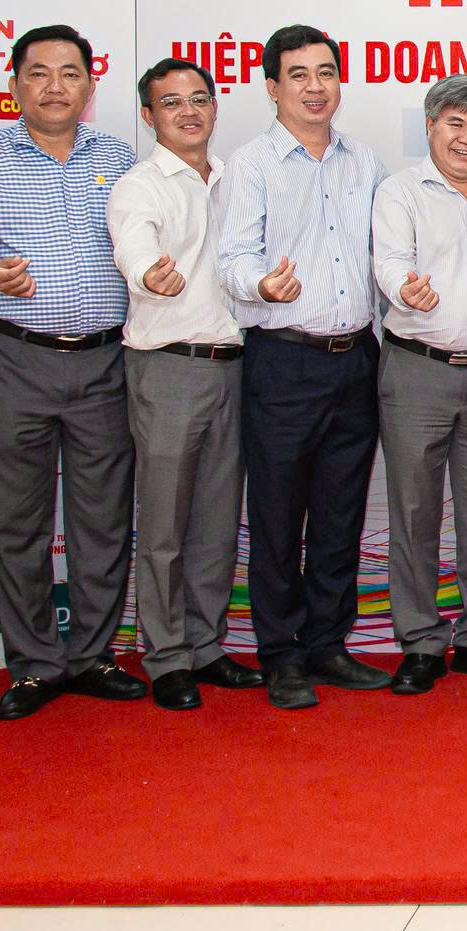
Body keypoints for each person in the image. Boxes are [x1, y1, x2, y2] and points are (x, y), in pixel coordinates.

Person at [0, 25, 144, 722]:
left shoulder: (119, 158)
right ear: (15, 83)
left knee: (102, 521)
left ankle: (92, 656)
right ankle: (32, 664)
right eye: (39, 73)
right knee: (18, 522)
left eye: (70, 73)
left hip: (106, 361)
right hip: (14, 360)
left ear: (90, 85)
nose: (55, 86)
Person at [217, 25, 393, 712]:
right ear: (272, 87)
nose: (315, 87)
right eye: (299, 75)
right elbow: (233, 258)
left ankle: (327, 642)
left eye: (326, 73)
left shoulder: (364, 161)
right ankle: (280, 653)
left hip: (355, 359)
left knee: (340, 513)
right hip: (283, 360)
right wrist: (262, 285)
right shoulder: (252, 163)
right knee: (277, 515)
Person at [106, 57, 262, 711]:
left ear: (215, 107)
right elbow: (133, 245)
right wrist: (149, 273)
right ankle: (166, 655)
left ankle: (206, 645)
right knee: (165, 523)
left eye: (199, 98)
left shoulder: (235, 179)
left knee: (217, 522)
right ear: (149, 116)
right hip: (168, 366)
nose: (188, 112)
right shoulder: (139, 185)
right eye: (171, 103)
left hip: (235, 365)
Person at [374, 75, 467, 693]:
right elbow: (389, 261)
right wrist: (404, 289)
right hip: (417, 369)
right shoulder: (399, 192)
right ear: (431, 126)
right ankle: (420, 641)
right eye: (455, 124)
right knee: (413, 511)